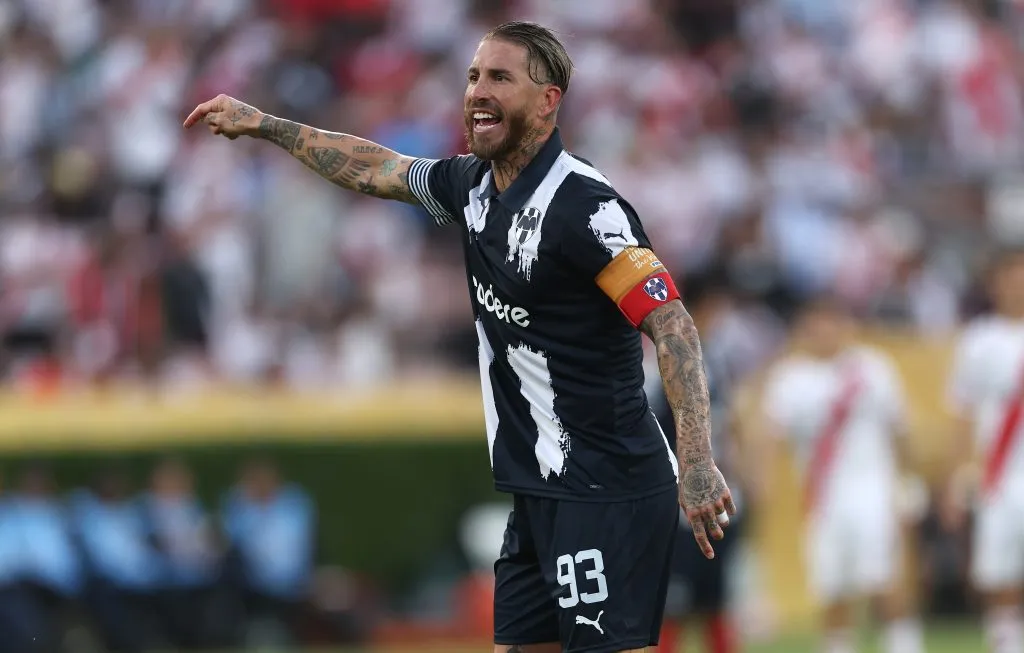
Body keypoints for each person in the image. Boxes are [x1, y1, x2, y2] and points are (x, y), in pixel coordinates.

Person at [184, 21, 735, 653]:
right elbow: (377, 168)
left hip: (608, 485)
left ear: (548, 100)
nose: (477, 90)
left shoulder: (586, 210)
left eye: (500, 77)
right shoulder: (471, 186)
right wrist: (265, 125)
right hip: (537, 488)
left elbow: (674, 328)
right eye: (473, 76)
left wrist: (695, 464)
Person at [759, 297, 924, 653]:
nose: (824, 331)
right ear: (805, 329)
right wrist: (764, 485)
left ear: (846, 326)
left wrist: (910, 482)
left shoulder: (872, 368)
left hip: (872, 491)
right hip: (820, 497)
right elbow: (771, 438)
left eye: (832, 322)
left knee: (884, 580)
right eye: (816, 323)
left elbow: (900, 431)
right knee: (832, 588)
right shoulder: (791, 379)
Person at [651, 275, 743, 653]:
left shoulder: (718, 364)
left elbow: (730, 428)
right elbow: (661, 431)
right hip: (684, 504)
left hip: (719, 498)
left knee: (716, 601)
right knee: (675, 602)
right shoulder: (668, 367)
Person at [946, 248, 1024, 653]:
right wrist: (957, 479)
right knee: (999, 574)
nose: (1017, 284)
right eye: (1010, 276)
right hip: (999, 477)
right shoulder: (979, 340)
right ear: (995, 284)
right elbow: (962, 414)